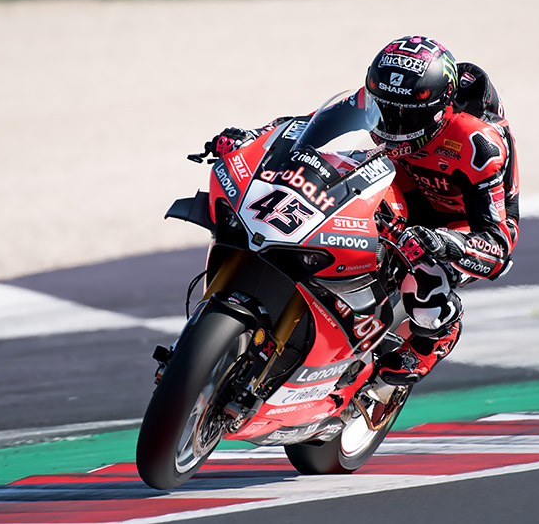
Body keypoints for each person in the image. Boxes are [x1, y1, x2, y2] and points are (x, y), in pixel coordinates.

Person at [205, 35, 520, 386]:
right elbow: (305, 128)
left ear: (441, 107)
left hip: (459, 225)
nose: (392, 124)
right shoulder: (372, 101)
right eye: (384, 109)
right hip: (402, 188)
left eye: (407, 116)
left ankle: (435, 337)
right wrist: (251, 137)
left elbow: (499, 246)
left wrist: (444, 243)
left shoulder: (478, 145)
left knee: (426, 279)